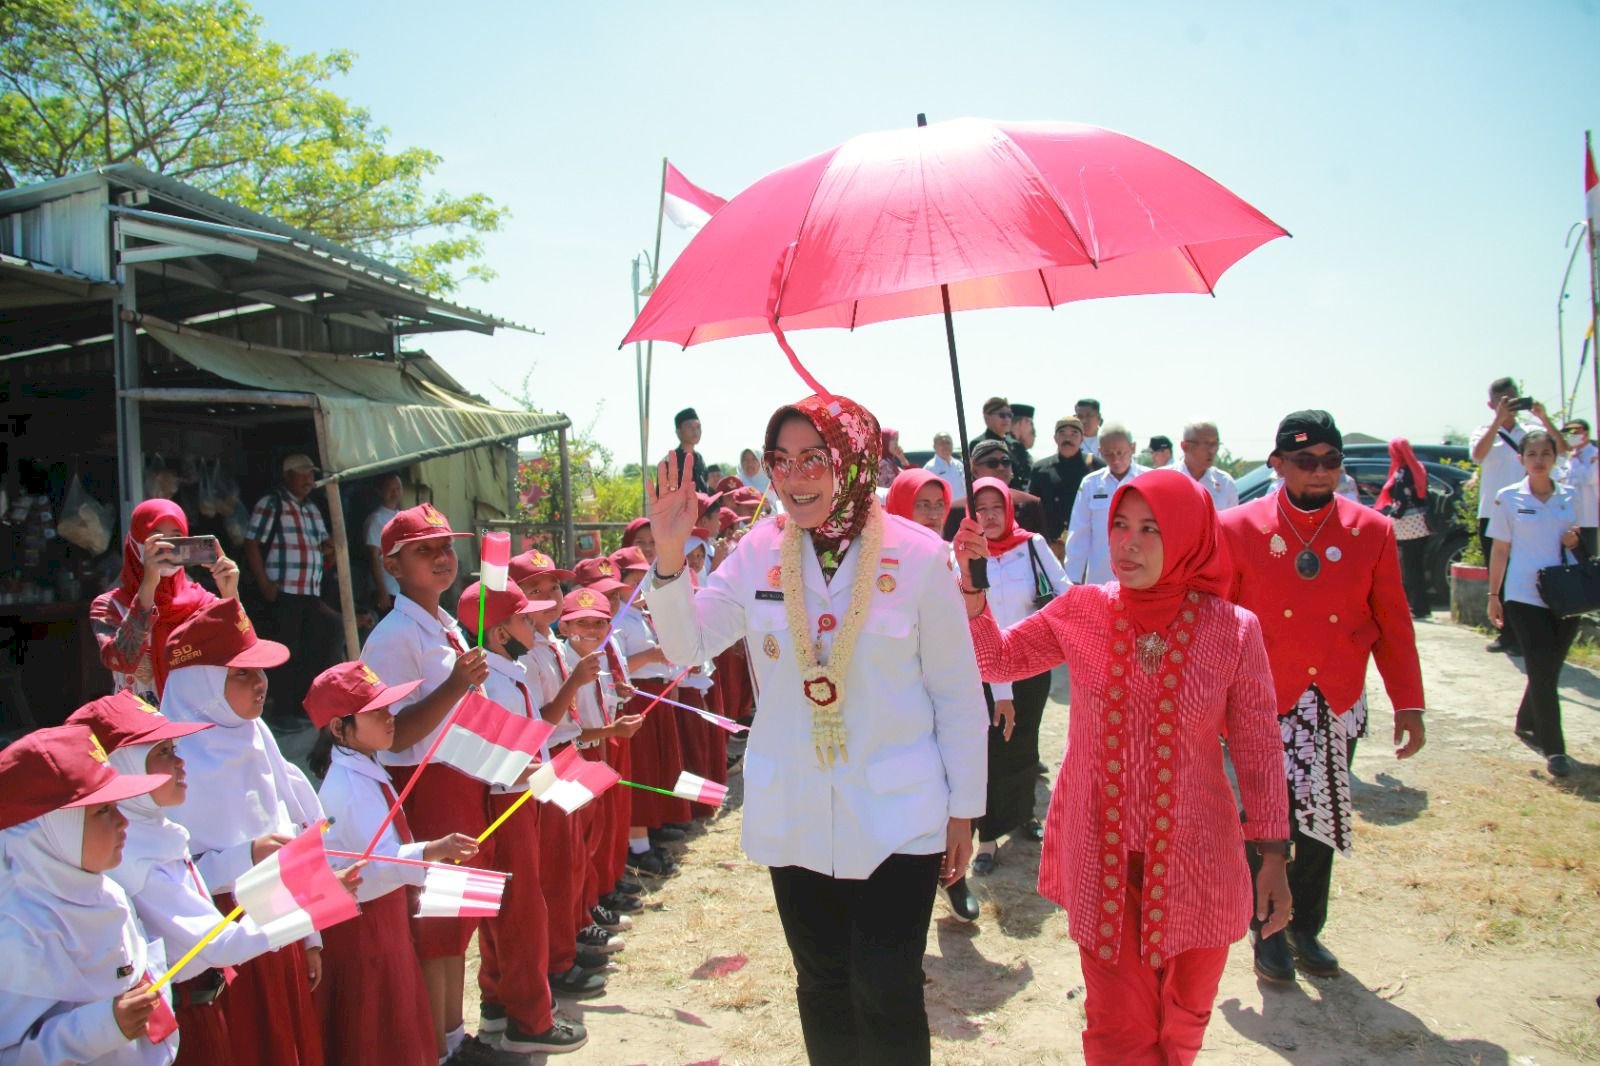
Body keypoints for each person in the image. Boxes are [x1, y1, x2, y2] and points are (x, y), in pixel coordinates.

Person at [647, 393, 986, 1066]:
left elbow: (955, 690)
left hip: (901, 812)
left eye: (813, 460)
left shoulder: (919, 557)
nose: (795, 479)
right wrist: (666, 553)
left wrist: (965, 809)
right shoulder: (758, 551)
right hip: (797, 807)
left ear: (853, 462)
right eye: (781, 461)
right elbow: (688, 646)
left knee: (886, 987)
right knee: (823, 984)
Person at [956, 470, 1291, 1066]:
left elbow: (1259, 746)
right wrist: (973, 588)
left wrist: (1272, 856)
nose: (1127, 543)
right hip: (1104, 862)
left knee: (1183, 1023)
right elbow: (995, 656)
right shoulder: (1082, 610)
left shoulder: (1234, 631)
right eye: (1118, 526)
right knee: (1118, 1031)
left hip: (1199, 864)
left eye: (1149, 529)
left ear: (1188, 535)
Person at [1219, 410, 1425, 984]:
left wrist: (1409, 702)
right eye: (1306, 461)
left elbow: (1393, 622)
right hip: (1264, 698)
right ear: (1278, 464)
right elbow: (1215, 620)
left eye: (1331, 461)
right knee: (1269, 820)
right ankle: (1267, 929)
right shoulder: (1236, 528)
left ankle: (1307, 925)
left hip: (1334, 697)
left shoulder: (1373, 530)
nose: (1320, 472)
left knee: (1321, 818)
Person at [158, 598, 328, 1066]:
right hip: (221, 930)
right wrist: (243, 856)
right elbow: (167, 873)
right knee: (250, 1041)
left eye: (259, 671)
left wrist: (310, 936)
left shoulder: (256, 734)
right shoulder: (171, 763)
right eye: (241, 674)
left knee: (288, 1032)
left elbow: (293, 823)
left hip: (277, 910)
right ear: (203, 684)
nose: (260, 684)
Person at [67, 692, 276, 1066]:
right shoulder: (130, 854)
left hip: (204, 1004)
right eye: (163, 752)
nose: (182, 763)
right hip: (179, 1025)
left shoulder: (153, 832)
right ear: (121, 768)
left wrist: (246, 857)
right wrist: (311, 900)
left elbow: (187, 890)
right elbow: (219, 944)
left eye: (175, 748)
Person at [358, 503, 495, 1063]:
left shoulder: (442, 623)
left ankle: (456, 1035)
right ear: (393, 565)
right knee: (436, 925)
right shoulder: (393, 637)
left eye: (445, 547)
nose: (442, 559)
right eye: (424, 550)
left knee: (459, 920)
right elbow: (390, 736)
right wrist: (457, 687)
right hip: (424, 785)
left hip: (459, 776)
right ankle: (439, 1048)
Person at [304, 663, 479, 1066]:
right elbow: (373, 864)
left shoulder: (365, 769)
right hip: (365, 927)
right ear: (338, 728)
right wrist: (433, 850)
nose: (390, 718)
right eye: (376, 711)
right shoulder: (346, 787)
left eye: (389, 707)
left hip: (385, 919)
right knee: (377, 1028)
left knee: (396, 1018)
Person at [452, 584, 589, 1056]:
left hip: (521, 794)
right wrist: (543, 770)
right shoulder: (491, 682)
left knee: (508, 910)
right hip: (508, 802)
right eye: (524, 620)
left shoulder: (511, 672)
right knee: (520, 912)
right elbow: (498, 758)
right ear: (498, 631)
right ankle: (528, 1020)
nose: (534, 626)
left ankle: (497, 1006)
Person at [0, 723, 177, 1066]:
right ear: (51, 830)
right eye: (102, 811)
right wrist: (102, 1028)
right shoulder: (17, 932)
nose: (123, 822)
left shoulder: (110, 893)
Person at [507, 550, 614, 1000]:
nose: (550, 598)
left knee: (571, 857)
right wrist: (576, 683)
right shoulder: (525, 654)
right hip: (547, 756)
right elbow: (541, 721)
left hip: (566, 752)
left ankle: (568, 941)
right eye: (536, 591)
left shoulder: (549, 643)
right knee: (551, 866)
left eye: (554, 588)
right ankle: (556, 961)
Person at [963, 478, 1067, 885]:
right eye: (981, 508)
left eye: (996, 507)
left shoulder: (1033, 545)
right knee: (991, 749)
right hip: (984, 669)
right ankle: (987, 839)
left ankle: (1023, 814)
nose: (989, 516)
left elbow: (1063, 592)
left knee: (1024, 742)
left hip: (1030, 664)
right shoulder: (967, 552)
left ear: (1008, 510)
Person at [1486, 429, 1582, 778]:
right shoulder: (1508, 498)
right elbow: (1500, 550)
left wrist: (1575, 541)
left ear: (1555, 458)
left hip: (1566, 596)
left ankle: (1526, 720)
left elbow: (1584, 547)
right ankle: (1555, 749)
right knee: (1540, 668)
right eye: (1532, 454)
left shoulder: (1571, 497)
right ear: (1521, 460)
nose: (1539, 460)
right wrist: (1494, 596)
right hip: (1524, 595)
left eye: (1545, 453)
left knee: (1548, 669)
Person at [92, 499, 240, 704]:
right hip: (141, 726)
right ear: (136, 542)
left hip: (195, 720)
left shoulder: (201, 601)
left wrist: (230, 593)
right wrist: (148, 586)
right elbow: (122, 661)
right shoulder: (109, 605)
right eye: (157, 538)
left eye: (176, 538)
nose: (168, 547)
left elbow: (240, 651)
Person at [1471, 378, 1565, 654]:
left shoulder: (1532, 431)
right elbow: (1477, 455)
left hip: (1530, 511)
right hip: (1493, 510)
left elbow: (1560, 449)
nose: (1510, 405)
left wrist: (1543, 417)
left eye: (1513, 399)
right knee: (1498, 574)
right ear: (1492, 404)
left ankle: (1530, 634)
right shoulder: (1483, 431)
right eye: (1503, 400)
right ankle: (1505, 633)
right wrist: (1498, 422)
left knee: (1525, 572)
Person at [243, 453, 337, 725]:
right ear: (287, 476)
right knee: (288, 652)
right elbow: (252, 544)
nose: (308, 479)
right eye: (302, 473)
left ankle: (304, 707)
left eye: (311, 473)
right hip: (284, 591)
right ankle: (284, 712)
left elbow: (324, 545)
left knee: (323, 637)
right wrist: (264, 584)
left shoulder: (311, 509)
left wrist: (328, 552)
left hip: (310, 590)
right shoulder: (272, 504)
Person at [1065, 424, 1146, 585]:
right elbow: (1079, 532)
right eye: (1108, 454)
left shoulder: (1150, 479)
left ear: (1133, 448)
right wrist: (1072, 579)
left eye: (1120, 452)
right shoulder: (1090, 483)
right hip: (1101, 578)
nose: (1115, 459)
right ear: (1100, 452)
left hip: (1143, 575)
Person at [942, 439, 1047, 539]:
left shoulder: (1030, 504)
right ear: (975, 471)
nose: (1001, 468)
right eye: (992, 463)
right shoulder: (957, 510)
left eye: (1005, 462)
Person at [1376, 438, 1433, 618]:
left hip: (1407, 524)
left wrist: (1391, 515)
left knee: (1409, 567)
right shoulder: (1418, 468)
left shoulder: (1401, 473)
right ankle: (1422, 606)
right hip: (1420, 522)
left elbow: (1400, 500)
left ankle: (1416, 606)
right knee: (1417, 565)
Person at [1031, 416, 1103, 555]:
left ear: (1082, 438)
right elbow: (1033, 510)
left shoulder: (1096, 466)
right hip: (1050, 545)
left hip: (1086, 546)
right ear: (1055, 438)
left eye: (1074, 433)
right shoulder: (1041, 469)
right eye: (1062, 433)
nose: (1067, 438)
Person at [362, 473, 404, 616]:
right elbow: (373, 557)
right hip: (388, 589)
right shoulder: (376, 520)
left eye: (398, 488)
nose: (395, 493)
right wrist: (382, 591)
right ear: (380, 492)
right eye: (390, 489)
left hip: (403, 589)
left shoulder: (403, 517)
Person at [1176, 421, 1239, 512]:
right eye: (1207, 444)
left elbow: (1231, 522)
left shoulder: (1225, 483)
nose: (1212, 451)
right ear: (1185, 446)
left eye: (1215, 444)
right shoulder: (1164, 479)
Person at [976, 396, 1033, 491]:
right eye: (1002, 415)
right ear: (987, 417)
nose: (1007, 419)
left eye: (1009, 415)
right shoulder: (979, 444)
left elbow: (1027, 473)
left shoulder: (1015, 445)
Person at [1561, 418, 1598, 557]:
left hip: (1589, 517)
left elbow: (1590, 478)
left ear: (1586, 434)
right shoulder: (1569, 458)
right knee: (1572, 560)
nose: (1572, 436)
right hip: (1570, 517)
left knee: (1589, 558)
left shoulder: (1594, 453)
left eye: (1576, 432)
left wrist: (1576, 461)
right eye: (1569, 433)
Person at [885, 469, 952, 537]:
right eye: (923, 505)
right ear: (901, 507)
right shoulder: (878, 546)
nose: (934, 516)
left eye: (939, 505)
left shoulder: (949, 546)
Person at [922, 432, 967, 505]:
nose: (946, 446)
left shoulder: (959, 465)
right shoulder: (930, 468)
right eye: (942, 443)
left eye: (948, 443)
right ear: (934, 446)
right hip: (943, 510)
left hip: (963, 508)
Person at [672, 408, 709, 494]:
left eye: (698, 427)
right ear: (678, 432)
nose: (695, 431)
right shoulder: (671, 461)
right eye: (689, 427)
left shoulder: (700, 460)